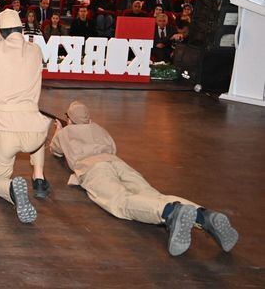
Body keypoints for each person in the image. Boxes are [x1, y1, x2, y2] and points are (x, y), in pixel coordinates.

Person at [50, 101, 238, 256]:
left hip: (93, 169)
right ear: (89, 117)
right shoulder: (99, 128)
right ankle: (204, 216)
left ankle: (170, 213)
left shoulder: (65, 133)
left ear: (68, 118)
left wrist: (59, 130)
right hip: (118, 163)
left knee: (120, 202)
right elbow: (113, 148)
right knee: (152, 195)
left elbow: (55, 151)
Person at [0, 9, 51, 223]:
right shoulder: (35, 50)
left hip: (4, 128)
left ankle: (10, 188)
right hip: (34, 133)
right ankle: (38, 177)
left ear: (1, 33)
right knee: (36, 122)